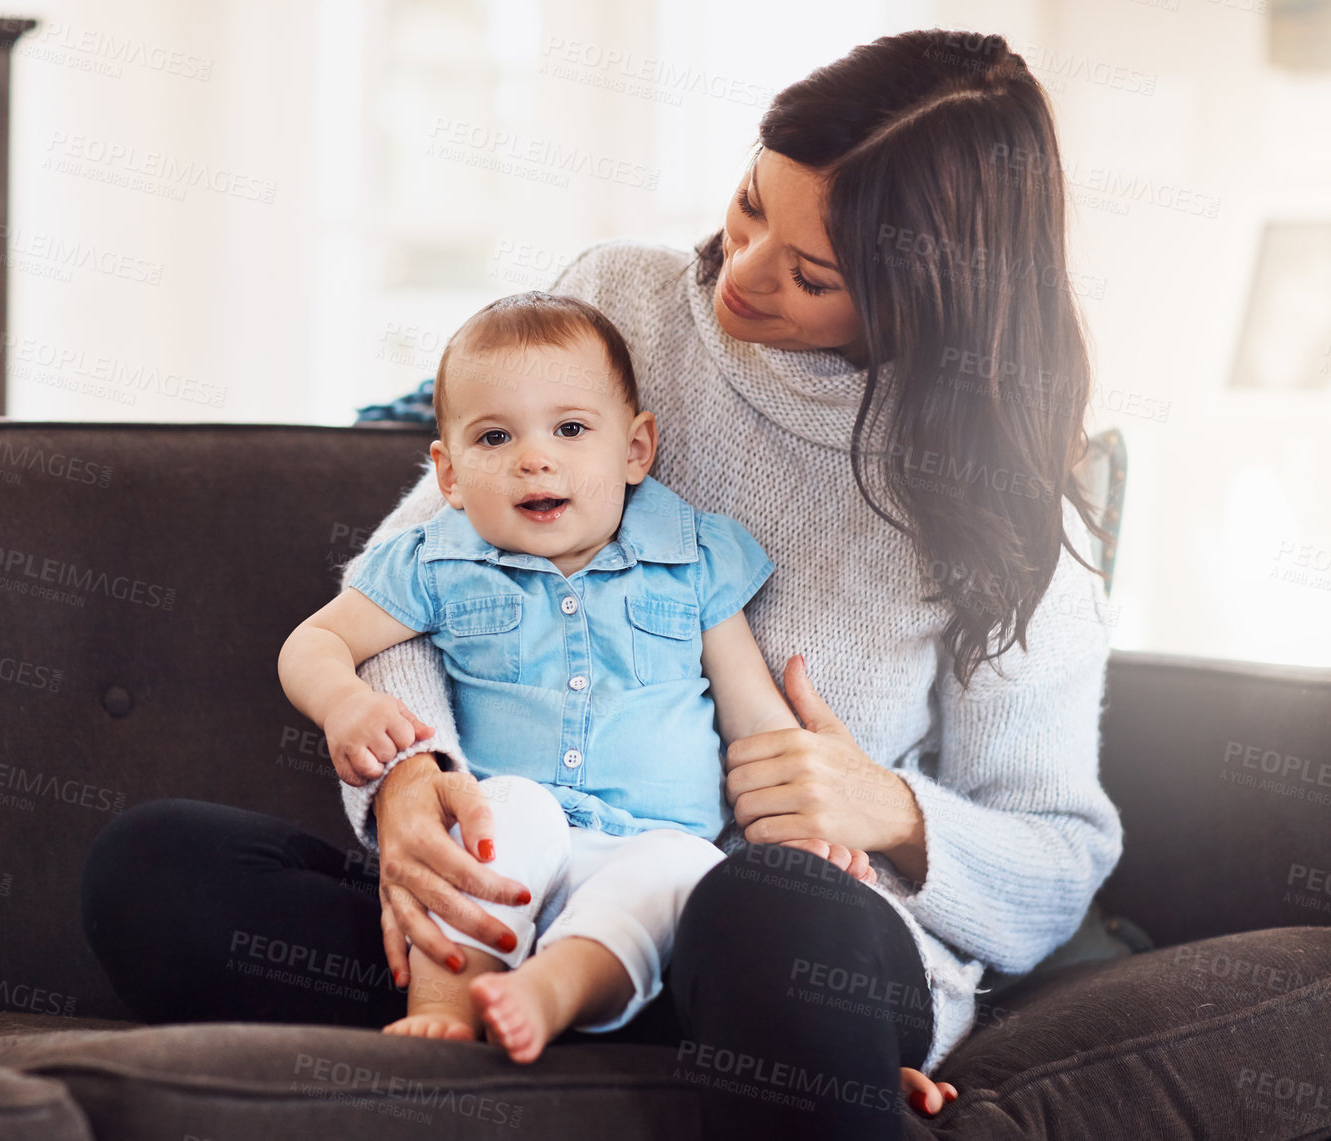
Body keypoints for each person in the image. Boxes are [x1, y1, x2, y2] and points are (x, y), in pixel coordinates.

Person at [84, 30, 1119, 1139]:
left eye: (811, 273)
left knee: (768, 922)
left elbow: (1058, 854)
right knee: (158, 871)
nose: (743, 271)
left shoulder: (1007, 514)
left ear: (931, 299)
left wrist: (890, 811)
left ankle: (747, 1029)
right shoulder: (618, 299)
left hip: (779, 928)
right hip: (530, 881)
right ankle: (663, 1034)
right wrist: (413, 779)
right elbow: (417, 577)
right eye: (749, 204)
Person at [278, 292, 940, 1087]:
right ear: (448, 474)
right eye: (495, 436)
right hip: (521, 839)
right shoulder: (434, 560)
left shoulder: (692, 559)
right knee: (500, 812)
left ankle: (549, 994)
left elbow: (756, 718)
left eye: (570, 429)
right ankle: (446, 1013)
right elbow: (314, 641)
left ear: (636, 449)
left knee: (678, 867)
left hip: (655, 845)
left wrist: (802, 826)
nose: (535, 458)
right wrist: (344, 703)